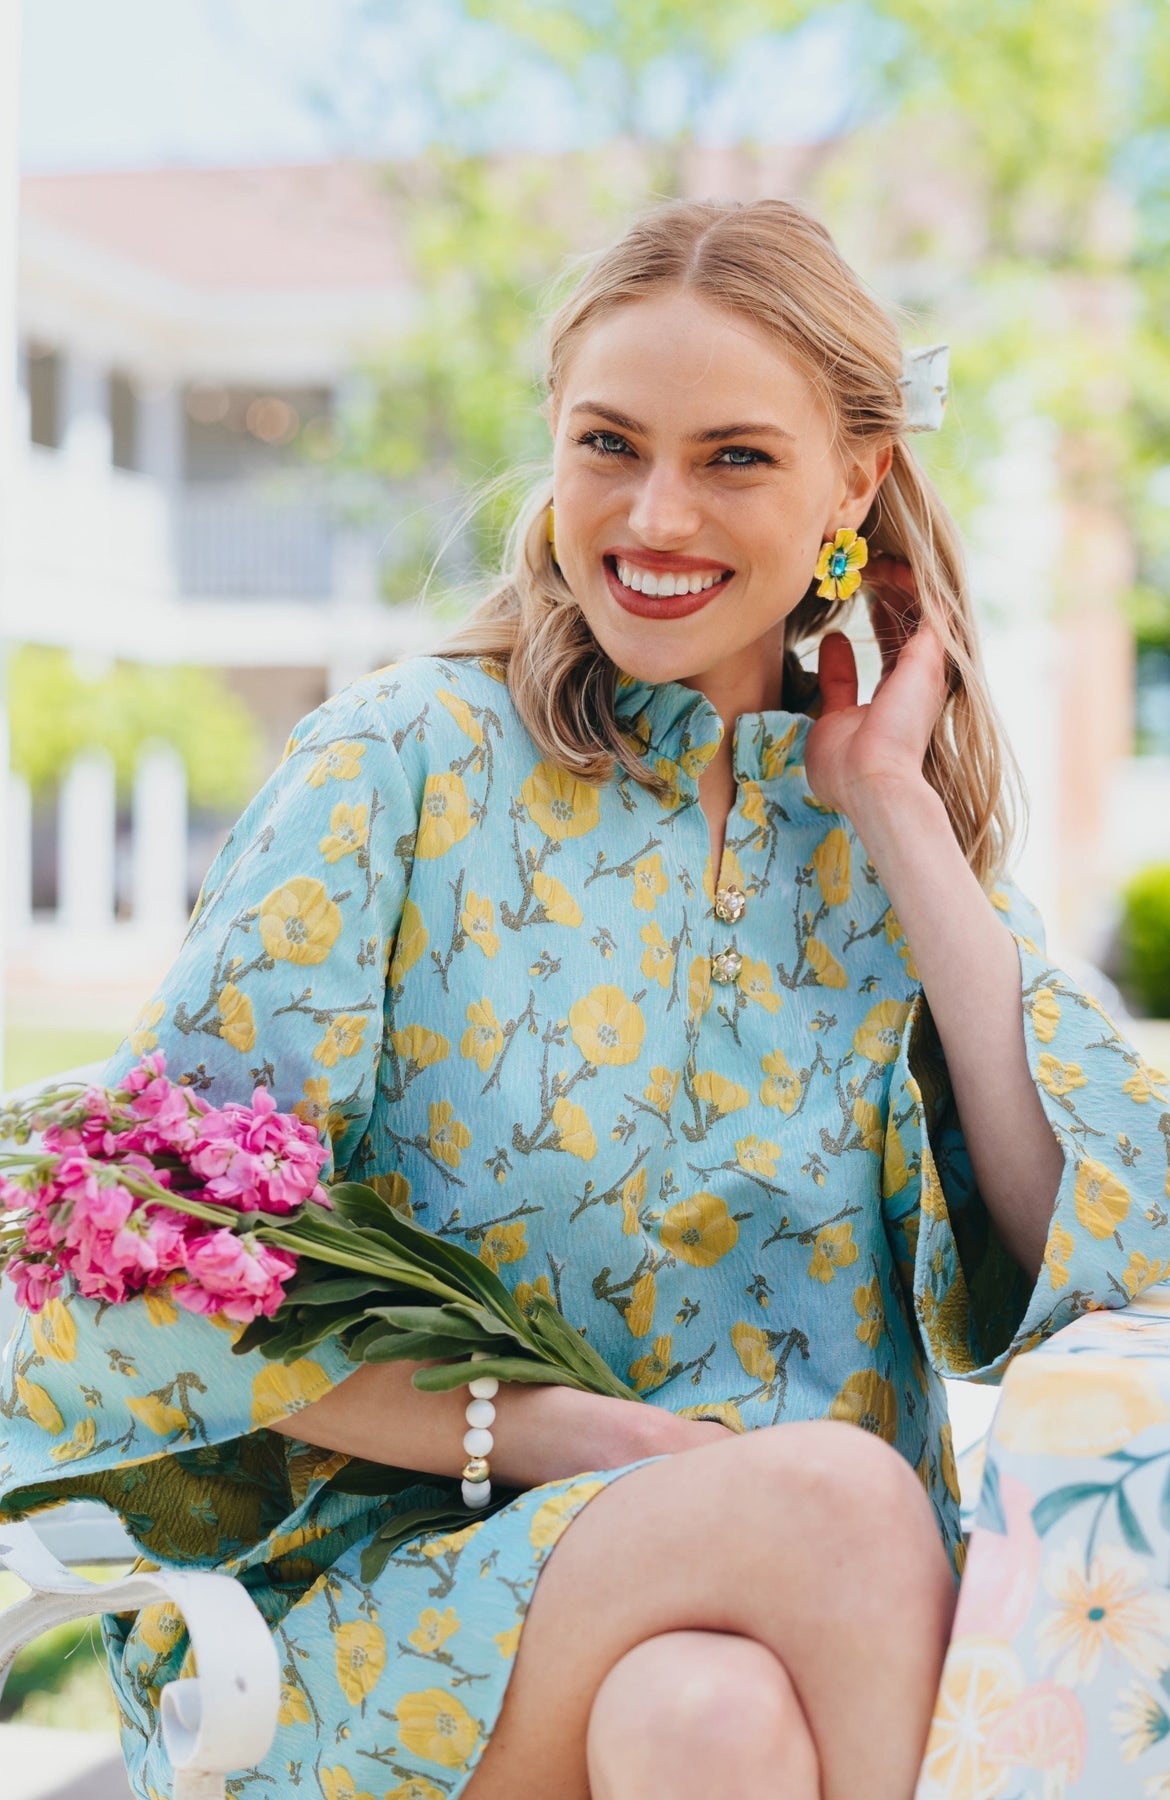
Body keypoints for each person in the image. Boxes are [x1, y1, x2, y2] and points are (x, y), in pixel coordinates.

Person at [0, 196, 1164, 1800]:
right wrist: (566, 1435)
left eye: (734, 457)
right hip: (384, 1600)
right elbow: (148, 1261)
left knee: (707, 1722)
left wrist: (895, 810)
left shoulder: (885, 844)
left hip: (794, 1656)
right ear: (551, 447)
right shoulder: (394, 771)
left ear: (857, 481)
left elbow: (1103, 1243)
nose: (655, 514)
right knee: (831, 1501)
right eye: (609, 444)